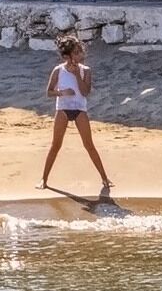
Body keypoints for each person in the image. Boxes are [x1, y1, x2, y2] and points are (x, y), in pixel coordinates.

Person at [40, 34, 113, 205]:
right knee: (55, 145)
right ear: (67, 56)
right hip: (63, 109)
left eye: (81, 51)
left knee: (89, 145)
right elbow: (48, 92)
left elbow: (85, 91)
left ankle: (104, 178)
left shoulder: (85, 70)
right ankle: (44, 180)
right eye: (77, 52)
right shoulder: (58, 70)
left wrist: (77, 75)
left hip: (79, 109)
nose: (81, 54)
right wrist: (62, 93)